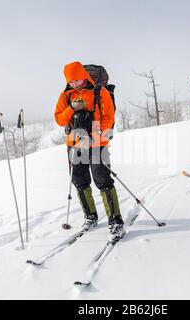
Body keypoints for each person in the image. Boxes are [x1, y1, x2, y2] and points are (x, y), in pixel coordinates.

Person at [54, 61, 125, 241]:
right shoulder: (66, 96)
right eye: (71, 82)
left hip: (96, 141)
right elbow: (60, 120)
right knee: (79, 179)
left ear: (83, 76)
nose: (75, 84)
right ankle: (90, 216)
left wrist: (98, 132)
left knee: (102, 179)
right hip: (75, 142)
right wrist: (72, 108)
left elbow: (109, 116)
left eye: (77, 80)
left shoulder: (99, 92)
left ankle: (116, 221)